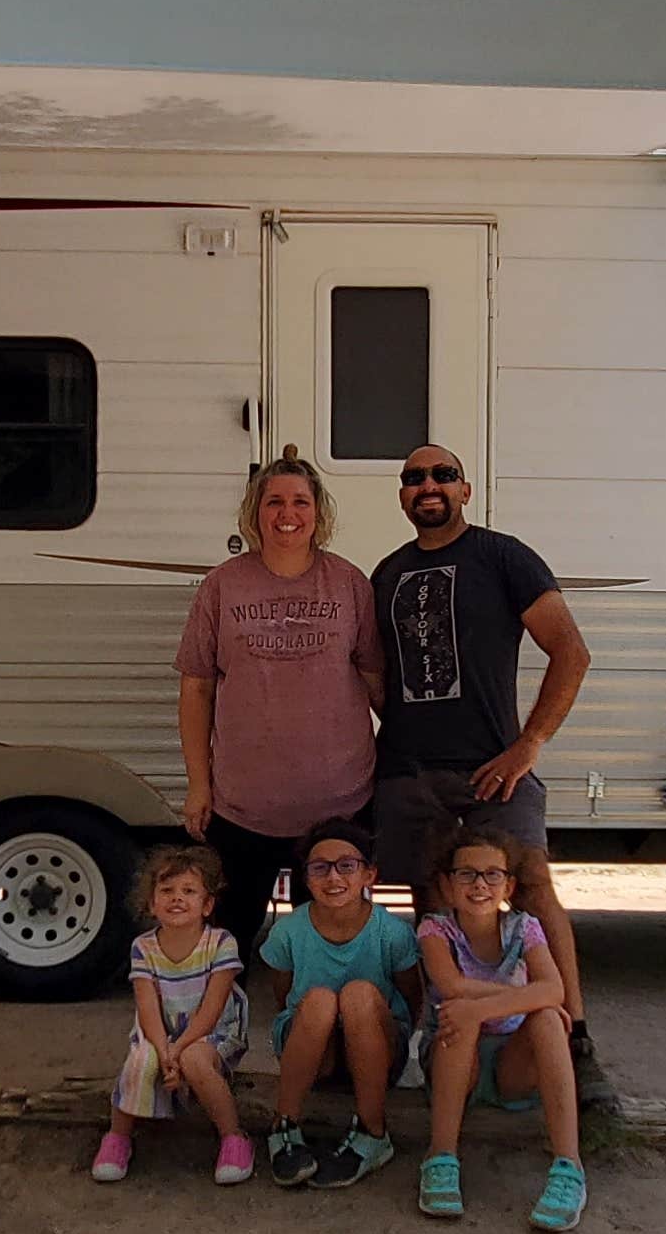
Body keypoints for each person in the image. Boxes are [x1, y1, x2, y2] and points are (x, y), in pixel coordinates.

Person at [368, 444, 593, 1039]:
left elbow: (571, 652)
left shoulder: (505, 557)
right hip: (410, 772)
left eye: (444, 474)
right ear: (402, 496)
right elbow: (379, 674)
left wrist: (530, 744)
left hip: (497, 767)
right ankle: (449, 1033)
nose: (428, 485)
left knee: (533, 886)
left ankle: (574, 1031)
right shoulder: (387, 574)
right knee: (432, 900)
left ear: (465, 490)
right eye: (414, 478)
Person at [177, 452, 384, 954]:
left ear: (317, 513)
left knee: (333, 946)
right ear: (255, 512)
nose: (287, 513)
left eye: (299, 501)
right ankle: (222, 1030)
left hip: (338, 804)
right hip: (243, 807)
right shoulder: (222, 586)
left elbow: (377, 679)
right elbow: (196, 688)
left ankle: (329, 1027)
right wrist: (199, 785)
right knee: (228, 944)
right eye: (274, 502)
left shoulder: (349, 583)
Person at [410, 823, 583, 1231]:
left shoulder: (524, 928)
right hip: (455, 1063)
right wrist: (522, 998)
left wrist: (524, 1003)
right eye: (466, 874)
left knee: (546, 1020)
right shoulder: (435, 929)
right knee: (460, 1013)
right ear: (447, 885)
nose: (479, 884)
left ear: (508, 887)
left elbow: (554, 988)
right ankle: (441, 1156)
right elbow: (451, 985)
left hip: (512, 1064)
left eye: (493, 874)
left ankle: (568, 1167)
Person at [250, 817, 420, 1192]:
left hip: (377, 1045)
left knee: (358, 994)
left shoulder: (391, 932)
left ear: (368, 875)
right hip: (315, 1054)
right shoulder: (289, 931)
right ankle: (285, 1126)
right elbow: (284, 996)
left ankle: (373, 1133)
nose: (333, 878)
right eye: (320, 868)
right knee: (319, 999)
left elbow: (411, 997)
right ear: (306, 878)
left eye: (347, 866)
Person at [96, 840, 252, 1185]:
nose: (177, 898)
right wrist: (163, 1051)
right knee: (141, 1060)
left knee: (195, 1060)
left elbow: (212, 1011)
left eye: (189, 890)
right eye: (166, 890)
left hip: (212, 1033)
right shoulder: (143, 948)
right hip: (160, 1030)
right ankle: (117, 1137)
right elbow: (147, 1006)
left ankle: (234, 1137)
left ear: (207, 904)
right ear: (152, 903)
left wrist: (178, 1051)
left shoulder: (221, 943)